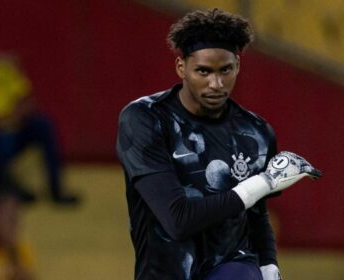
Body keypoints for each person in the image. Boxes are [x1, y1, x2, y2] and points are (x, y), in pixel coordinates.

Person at [117, 9, 321, 280]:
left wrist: (269, 266)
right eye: (203, 71)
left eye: (225, 70)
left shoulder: (255, 133)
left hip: (232, 266)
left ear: (237, 65)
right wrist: (262, 183)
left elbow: (257, 216)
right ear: (182, 68)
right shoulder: (145, 119)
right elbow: (177, 220)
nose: (216, 84)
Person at [0, 31, 79, 205]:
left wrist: (13, 117)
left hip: (11, 126)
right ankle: (8, 188)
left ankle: (56, 190)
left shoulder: (4, 68)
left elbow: (28, 101)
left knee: (43, 124)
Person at [0, 184, 36, 280]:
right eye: (10, 220)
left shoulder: (22, 250)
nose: (15, 227)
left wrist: (14, 256)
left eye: (16, 220)